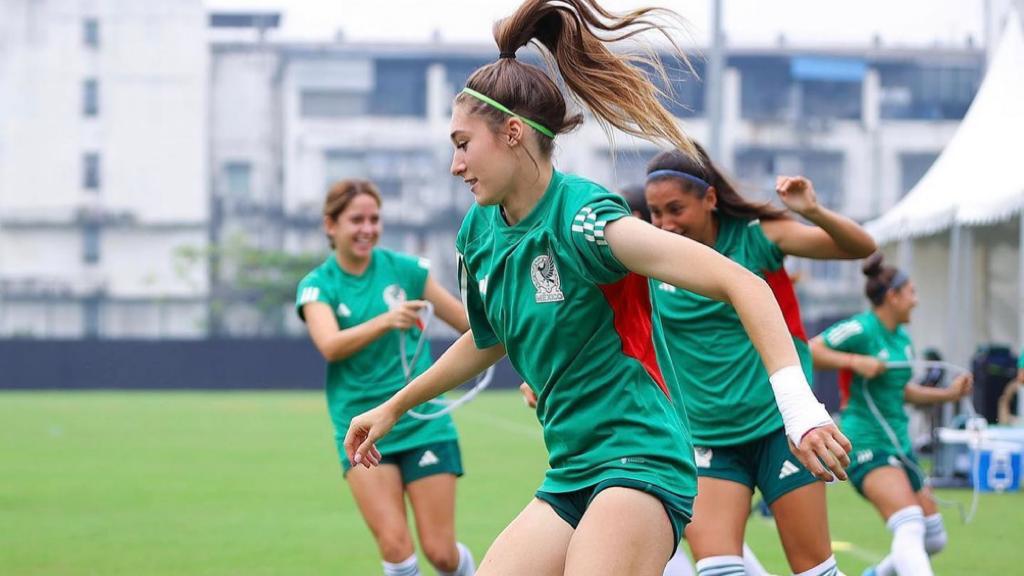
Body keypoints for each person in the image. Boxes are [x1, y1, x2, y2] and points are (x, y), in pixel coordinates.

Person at [344, 2, 850, 575]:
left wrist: (800, 409)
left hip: (641, 460)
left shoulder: (585, 222)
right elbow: (490, 338)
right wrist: (393, 408)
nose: (455, 164)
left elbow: (743, 282)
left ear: (512, 133)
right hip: (571, 472)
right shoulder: (477, 233)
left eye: (464, 143)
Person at [641, 145, 876, 576]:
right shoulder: (649, 258)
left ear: (710, 199)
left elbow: (859, 247)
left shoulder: (755, 237)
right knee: (717, 571)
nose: (665, 224)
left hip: (780, 431)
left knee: (814, 570)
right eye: (655, 213)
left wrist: (815, 211)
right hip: (709, 438)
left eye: (676, 209)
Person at [296, 179, 476, 576]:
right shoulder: (316, 286)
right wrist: (386, 320)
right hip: (360, 429)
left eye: (374, 219)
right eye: (355, 219)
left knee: (441, 553)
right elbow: (329, 344)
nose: (367, 228)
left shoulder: (407, 271)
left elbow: (469, 324)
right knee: (396, 548)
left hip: (423, 423)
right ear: (331, 226)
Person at [811, 253, 974, 576]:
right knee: (910, 523)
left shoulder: (902, 338)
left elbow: (901, 391)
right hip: (867, 442)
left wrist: (948, 395)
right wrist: (856, 362)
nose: (916, 300)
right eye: (911, 292)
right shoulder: (861, 328)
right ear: (893, 296)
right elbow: (811, 349)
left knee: (933, 536)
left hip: (899, 444)